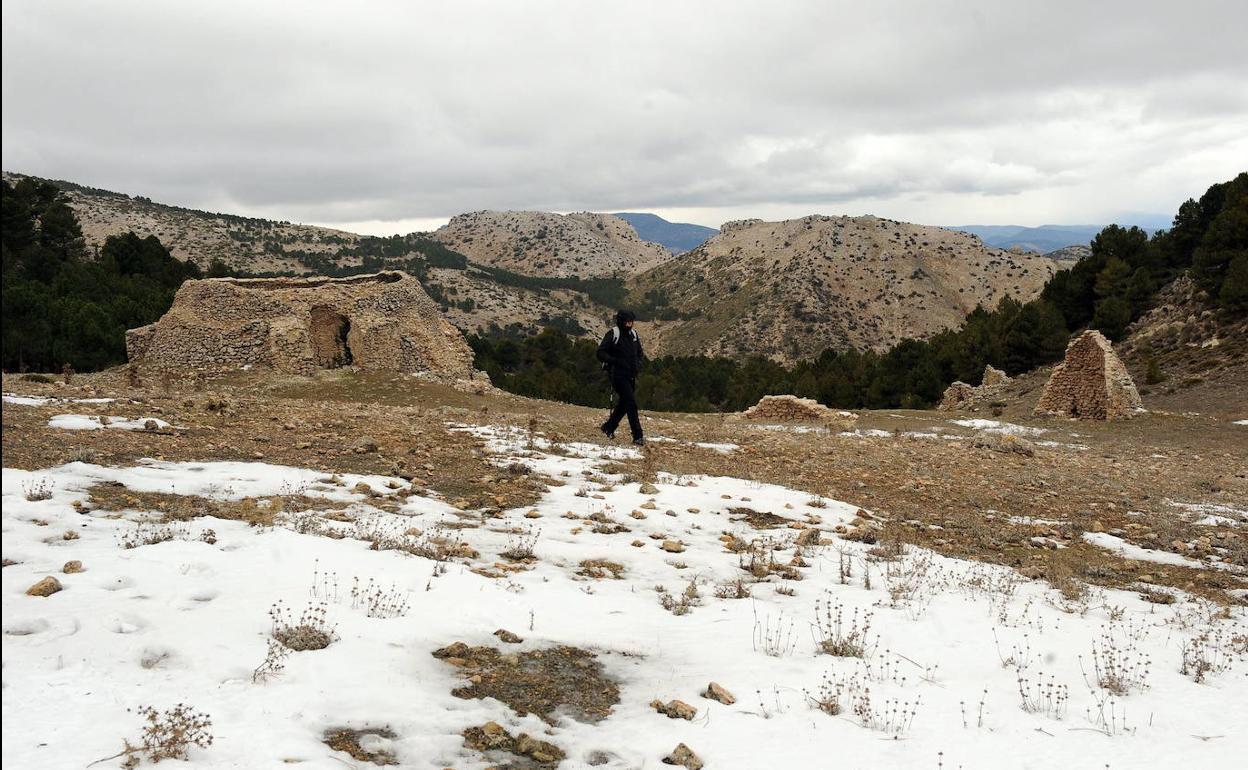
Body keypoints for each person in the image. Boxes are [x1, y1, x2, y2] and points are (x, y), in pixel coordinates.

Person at [596, 309, 645, 445]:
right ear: (621, 321)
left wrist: (638, 365)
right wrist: (614, 361)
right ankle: (638, 435)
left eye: (631, 322)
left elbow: (640, 353)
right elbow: (600, 352)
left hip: (631, 375)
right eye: (627, 322)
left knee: (624, 403)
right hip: (617, 375)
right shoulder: (613, 334)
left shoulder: (634, 335)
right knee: (631, 404)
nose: (629, 325)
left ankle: (609, 427)